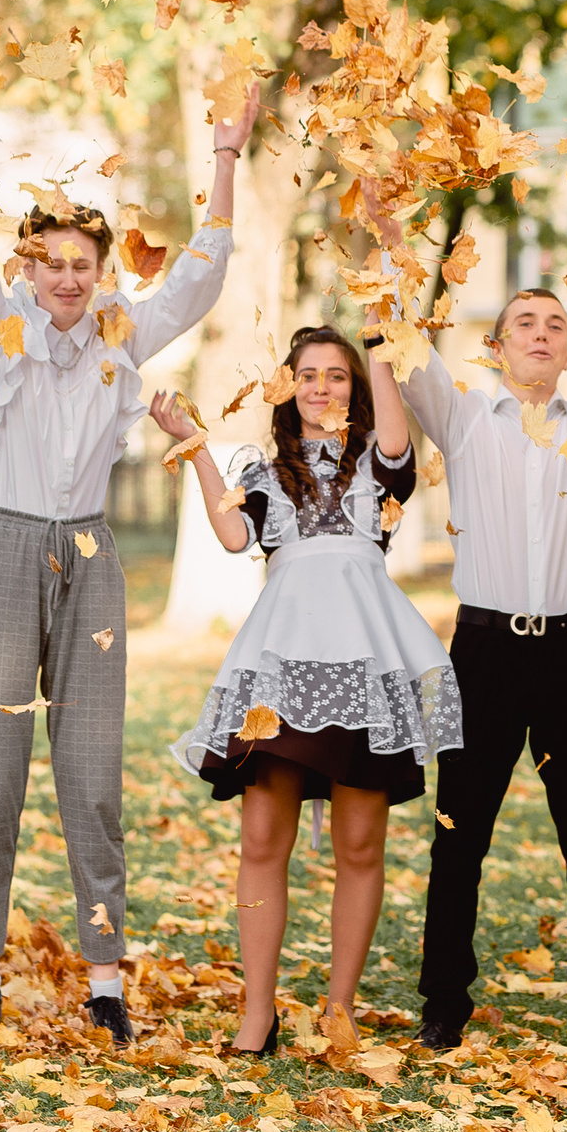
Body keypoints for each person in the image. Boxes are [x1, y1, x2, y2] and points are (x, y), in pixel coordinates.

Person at [0, 74, 262, 1045]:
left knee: (89, 772)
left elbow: (201, 273)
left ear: (100, 268)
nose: (69, 279)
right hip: (0, 547)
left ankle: (105, 975)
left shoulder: (125, 330)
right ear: (30, 267)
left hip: (90, 557)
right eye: (52, 263)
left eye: (83, 262)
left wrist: (225, 157)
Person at [366, 186, 567, 1052]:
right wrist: (395, 242)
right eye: (524, 323)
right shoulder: (466, 417)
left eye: (555, 324)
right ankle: (443, 1004)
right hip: (482, 651)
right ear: (498, 344)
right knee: (458, 835)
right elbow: (406, 348)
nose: (541, 334)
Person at [155, 325, 462, 1056]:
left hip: (365, 666)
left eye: (339, 375)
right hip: (282, 666)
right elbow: (233, 537)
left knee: (360, 843)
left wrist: (381, 348)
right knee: (263, 835)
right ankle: (257, 1011)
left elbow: (394, 431)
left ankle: (338, 1006)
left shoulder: (380, 468)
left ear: (356, 389)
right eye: (309, 375)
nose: (323, 386)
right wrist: (196, 445)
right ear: (289, 388)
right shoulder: (264, 470)